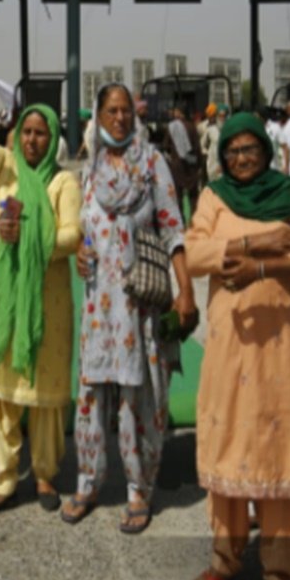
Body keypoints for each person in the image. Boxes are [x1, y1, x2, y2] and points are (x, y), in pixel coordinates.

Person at [184, 112, 290, 580]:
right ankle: (224, 560)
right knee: (228, 445)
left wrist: (263, 269)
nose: (241, 158)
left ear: (266, 151)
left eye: (250, 149)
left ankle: (281, 578)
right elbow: (195, 250)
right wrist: (256, 242)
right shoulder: (214, 197)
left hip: (278, 344)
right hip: (229, 344)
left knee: (277, 447)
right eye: (233, 151)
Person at [65, 82, 197, 534]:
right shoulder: (91, 168)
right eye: (112, 111)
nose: (120, 118)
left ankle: (139, 489)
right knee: (92, 396)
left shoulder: (152, 163)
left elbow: (173, 228)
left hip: (139, 307)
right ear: (99, 117)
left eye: (126, 111)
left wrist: (187, 291)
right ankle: (88, 481)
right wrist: (80, 251)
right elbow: (86, 227)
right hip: (98, 304)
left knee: (138, 398)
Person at [0, 65, 81, 517]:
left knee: (44, 397)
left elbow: (72, 236)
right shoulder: (4, 170)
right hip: (5, 302)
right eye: (26, 132)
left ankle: (44, 473)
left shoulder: (64, 182)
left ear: (53, 138)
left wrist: (26, 236)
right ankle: (2, 480)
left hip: (49, 304)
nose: (31, 141)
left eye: (41, 134)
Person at [163, 106, 203, 220]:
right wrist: (199, 165)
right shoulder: (192, 127)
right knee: (193, 196)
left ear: (178, 113)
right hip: (191, 165)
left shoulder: (172, 127)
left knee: (178, 196)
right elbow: (197, 147)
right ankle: (194, 221)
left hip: (177, 166)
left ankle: (181, 220)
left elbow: (166, 146)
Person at [200, 105, 224, 184]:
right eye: (211, 116)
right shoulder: (202, 126)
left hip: (219, 159)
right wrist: (206, 153)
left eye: (214, 115)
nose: (212, 118)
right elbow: (201, 144)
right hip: (208, 159)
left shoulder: (220, 126)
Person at [265, 108, 288, 174]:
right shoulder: (269, 127)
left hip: (277, 163)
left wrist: (286, 165)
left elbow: (285, 147)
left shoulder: (275, 127)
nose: (279, 120)